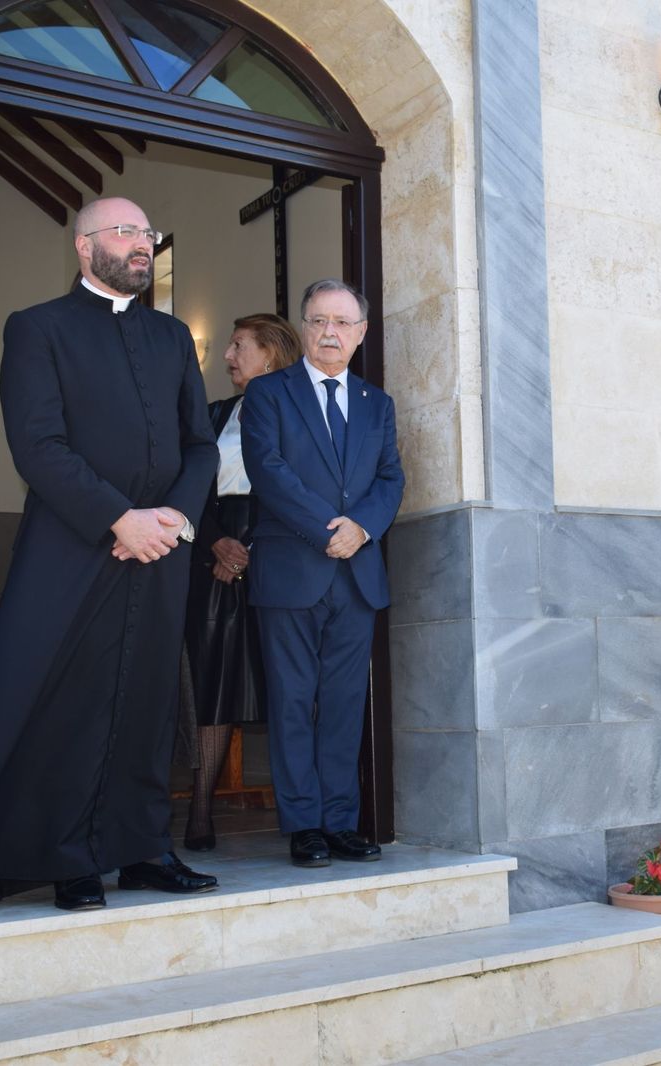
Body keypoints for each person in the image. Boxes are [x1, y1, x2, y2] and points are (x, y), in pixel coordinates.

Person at [0, 197, 221, 911]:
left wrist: (172, 517)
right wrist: (117, 518)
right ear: (84, 247)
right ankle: (66, 855)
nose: (142, 244)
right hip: (72, 545)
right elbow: (38, 446)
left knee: (146, 698)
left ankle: (141, 849)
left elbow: (200, 445)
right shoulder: (38, 328)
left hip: (162, 548)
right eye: (125, 232)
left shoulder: (171, 339)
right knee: (67, 701)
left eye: (147, 234)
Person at [240, 278, 404, 868]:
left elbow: (391, 479)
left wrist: (361, 528)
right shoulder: (267, 394)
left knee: (341, 702)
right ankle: (303, 823)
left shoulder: (375, 404)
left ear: (361, 333)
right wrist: (329, 529)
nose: (329, 332)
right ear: (303, 327)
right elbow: (269, 469)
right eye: (318, 321)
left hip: (357, 574)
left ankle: (339, 821)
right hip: (291, 568)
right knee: (291, 699)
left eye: (342, 322)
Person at [181, 313, 302, 851]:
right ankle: (200, 812)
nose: (227, 357)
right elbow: (188, 490)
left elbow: (303, 487)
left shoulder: (302, 413)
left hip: (278, 552)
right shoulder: (213, 415)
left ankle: (303, 815)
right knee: (212, 682)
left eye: (237, 347)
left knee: (287, 684)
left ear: (270, 354)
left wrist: (253, 548)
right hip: (212, 562)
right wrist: (216, 544)